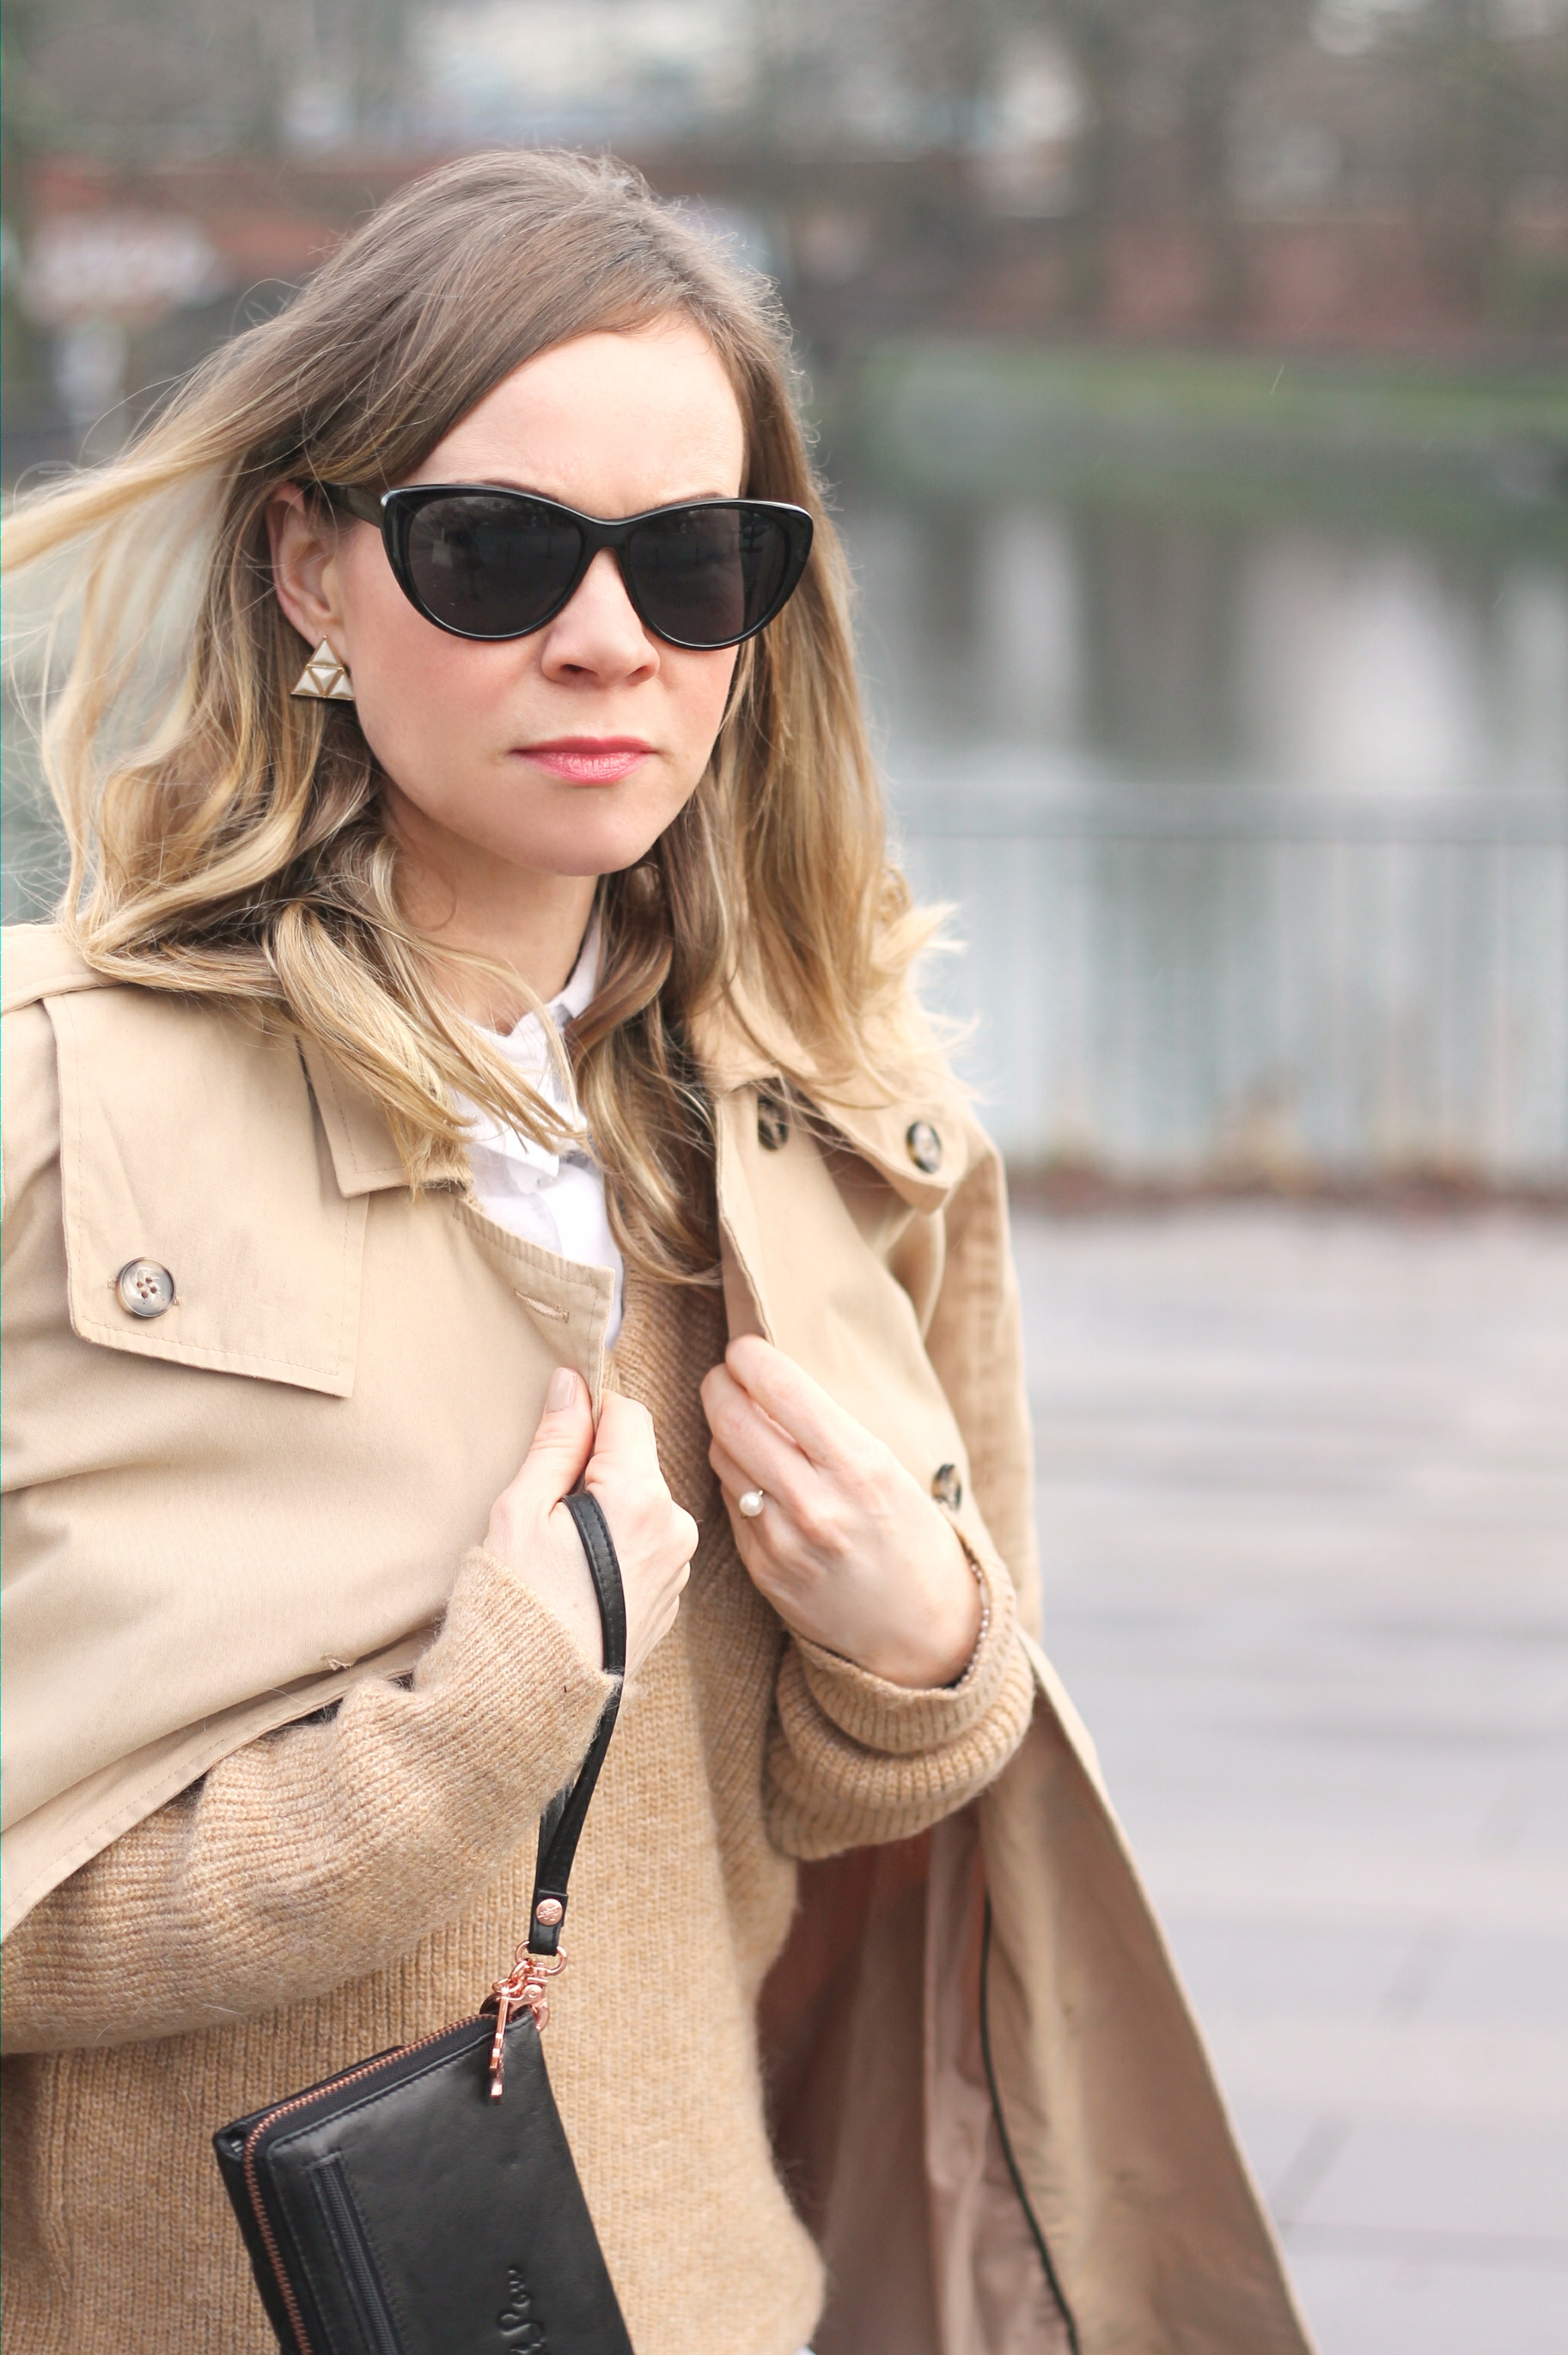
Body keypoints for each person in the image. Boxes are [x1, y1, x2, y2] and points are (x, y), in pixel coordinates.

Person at [0, 151, 1313, 2355]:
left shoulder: (838, 1131)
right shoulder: (53, 1121)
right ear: (309, 565)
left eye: (695, 561)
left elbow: (805, 1816)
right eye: (497, 552)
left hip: (702, 2297)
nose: (609, 639)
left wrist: (925, 1650)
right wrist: (482, 1715)